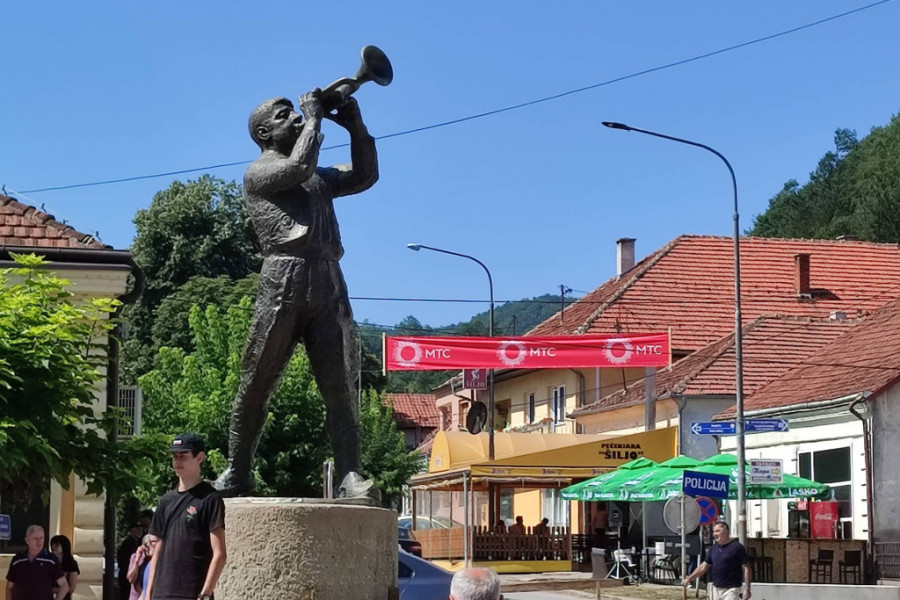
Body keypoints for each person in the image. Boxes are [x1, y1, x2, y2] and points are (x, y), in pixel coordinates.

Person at [214, 87, 379, 497]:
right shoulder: (259, 173)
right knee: (257, 380)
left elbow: (364, 176)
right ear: (265, 134)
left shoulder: (317, 176)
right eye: (286, 116)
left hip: (327, 279)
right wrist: (316, 117)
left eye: (296, 113)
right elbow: (301, 166)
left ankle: (349, 475)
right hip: (281, 280)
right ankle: (237, 469)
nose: (296, 119)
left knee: (340, 384)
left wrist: (355, 125)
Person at [145, 433, 226, 600]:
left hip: (192, 592)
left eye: (183, 456)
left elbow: (220, 553)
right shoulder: (165, 501)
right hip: (162, 592)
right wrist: (148, 594)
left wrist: (205, 593)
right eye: (175, 457)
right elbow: (157, 549)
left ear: (200, 457)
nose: (177, 461)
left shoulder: (210, 498)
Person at [683, 521, 751, 600]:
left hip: (731, 590)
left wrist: (747, 588)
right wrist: (690, 578)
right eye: (714, 531)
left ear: (726, 532)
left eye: (718, 531)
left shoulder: (737, 547)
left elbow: (746, 568)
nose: (714, 534)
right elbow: (704, 566)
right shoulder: (713, 548)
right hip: (716, 589)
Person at [5, 525, 68, 600]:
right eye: (35, 538)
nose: (39, 542)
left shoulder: (51, 560)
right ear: (27, 540)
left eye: (41, 538)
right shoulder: (17, 560)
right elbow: (9, 588)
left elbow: (64, 586)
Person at [117, 523, 144, 600]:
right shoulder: (128, 543)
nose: (140, 532)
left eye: (141, 530)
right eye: (137, 529)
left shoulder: (135, 542)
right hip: (127, 573)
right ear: (131, 530)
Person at [126, 534, 156, 600]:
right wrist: (137, 561)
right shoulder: (136, 557)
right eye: (147, 546)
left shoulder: (155, 560)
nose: (148, 549)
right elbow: (131, 579)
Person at [49, 535, 79, 600]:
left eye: (56, 545)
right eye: (52, 544)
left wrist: (51, 590)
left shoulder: (71, 564)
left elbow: (71, 588)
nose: (53, 547)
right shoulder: (50, 562)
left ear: (64, 546)